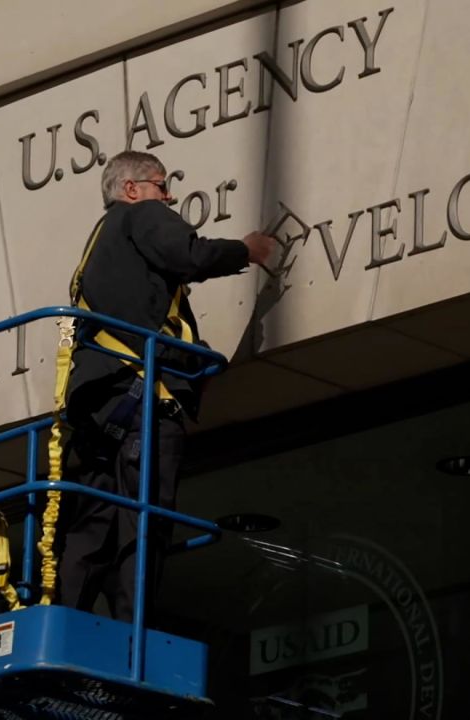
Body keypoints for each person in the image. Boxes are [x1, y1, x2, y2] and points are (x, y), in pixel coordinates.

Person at [58, 150, 276, 622]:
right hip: (143, 400)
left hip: (99, 402)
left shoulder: (95, 253)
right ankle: (130, 639)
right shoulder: (141, 215)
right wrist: (247, 250)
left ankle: (65, 623)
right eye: (161, 185)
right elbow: (187, 254)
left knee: (95, 521)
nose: (169, 195)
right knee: (145, 520)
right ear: (132, 189)